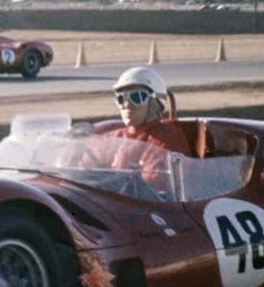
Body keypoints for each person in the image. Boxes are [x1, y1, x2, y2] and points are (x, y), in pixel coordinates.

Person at [79, 66, 192, 195]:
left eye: (137, 97)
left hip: (147, 209)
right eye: (121, 98)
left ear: (154, 102)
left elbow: (155, 188)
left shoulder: (167, 136)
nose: (127, 104)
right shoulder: (115, 136)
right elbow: (81, 171)